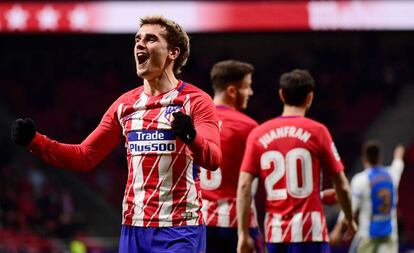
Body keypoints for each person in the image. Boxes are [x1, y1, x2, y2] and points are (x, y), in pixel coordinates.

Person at [10, 15, 221, 253]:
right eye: (137, 39)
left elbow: (213, 159)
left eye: (150, 39)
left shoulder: (197, 101)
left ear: (173, 52)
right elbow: (85, 155)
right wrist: (35, 141)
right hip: (133, 229)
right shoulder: (125, 105)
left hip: (180, 229)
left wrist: (192, 137)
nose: (140, 44)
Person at [236, 69, 357, 253]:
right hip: (311, 233)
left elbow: (244, 186)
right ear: (310, 98)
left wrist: (243, 234)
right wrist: (349, 218)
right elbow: (342, 185)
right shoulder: (318, 132)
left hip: (276, 235)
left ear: (281, 95)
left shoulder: (258, 134)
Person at [199, 60, 263, 253]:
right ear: (232, 91)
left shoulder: (192, 123)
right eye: (248, 87)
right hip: (235, 224)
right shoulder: (248, 127)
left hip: (197, 223)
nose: (251, 93)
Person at [330, 140, 405, 253]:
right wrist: (399, 153)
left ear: (364, 159)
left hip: (367, 235)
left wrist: (337, 230)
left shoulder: (361, 180)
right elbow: (398, 163)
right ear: (380, 158)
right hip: (390, 234)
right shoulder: (392, 174)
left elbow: (350, 208)